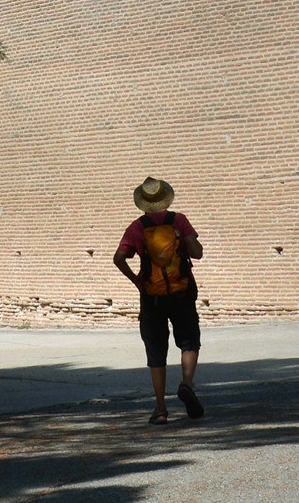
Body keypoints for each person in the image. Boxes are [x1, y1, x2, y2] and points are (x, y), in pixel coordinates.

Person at [114, 176, 204, 424]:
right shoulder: (178, 221)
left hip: (151, 296)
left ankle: (161, 409)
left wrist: (136, 280)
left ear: (143, 203)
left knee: (155, 349)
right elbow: (197, 253)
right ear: (165, 198)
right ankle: (186, 384)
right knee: (189, 341)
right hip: (182, 291)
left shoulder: (137, 227)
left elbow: (119, 258)